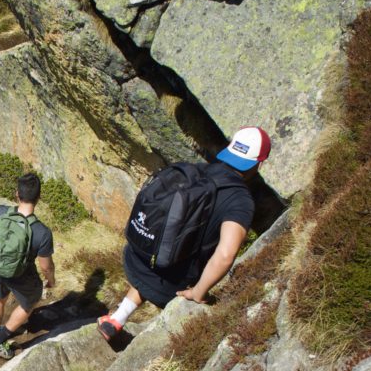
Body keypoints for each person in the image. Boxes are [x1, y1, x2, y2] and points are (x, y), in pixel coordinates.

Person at [98, 127, 269, 340]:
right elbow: (225, 255)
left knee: (165, 256)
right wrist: (198, 292)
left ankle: (117, 318)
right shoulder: (240, 201)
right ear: (259, 164)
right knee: (178, 271)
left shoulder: (195, 171)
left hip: (136, 258)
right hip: (173, 282)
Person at [0, 173, 56, 359]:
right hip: (21, 274)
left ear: (17, 194)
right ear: (38, 198)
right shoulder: (42, 232)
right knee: (29, 303)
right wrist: (51, 280)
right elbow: (46, 267)